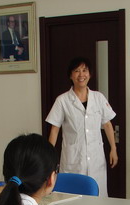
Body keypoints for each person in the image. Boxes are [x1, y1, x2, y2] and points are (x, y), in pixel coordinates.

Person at [46, 57, 118, 197]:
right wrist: (48, 158)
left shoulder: (99, 98)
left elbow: (107, 124)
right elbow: (54, 130)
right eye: (77, 71)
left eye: (84, 70)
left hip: (96, 159)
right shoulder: (62, 100)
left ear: (90, 74)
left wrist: (113, 149)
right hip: (73, 160)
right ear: (70, 76)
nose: (81, 75)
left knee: (99, 198)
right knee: (72, 198)